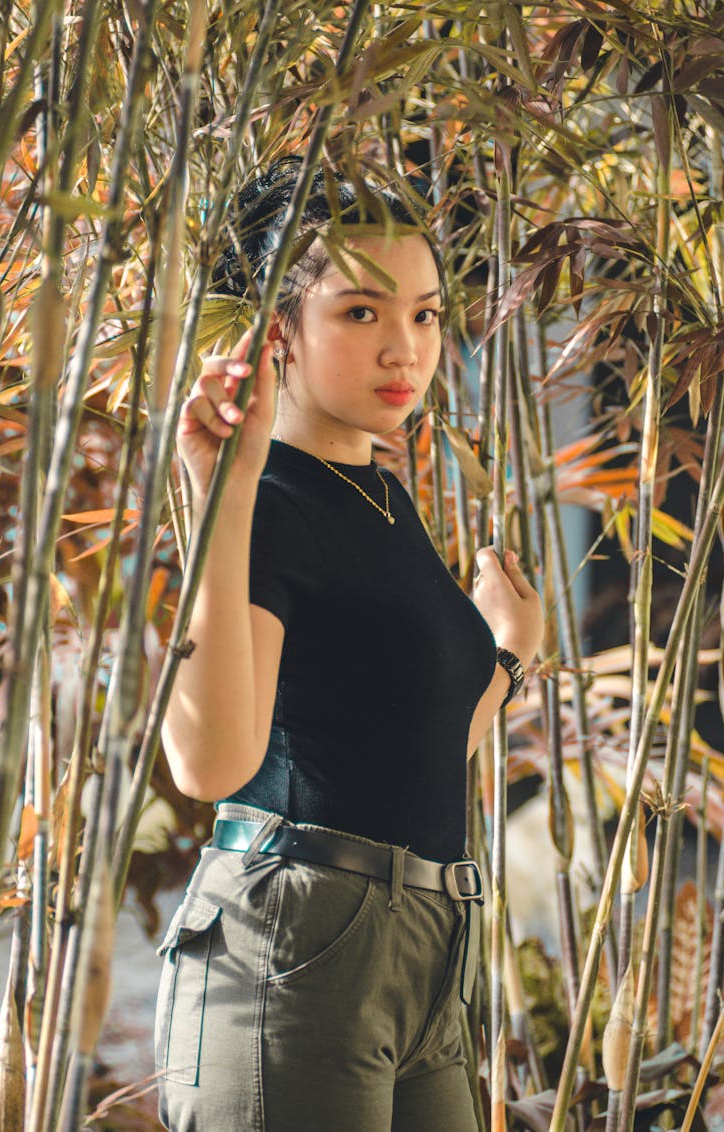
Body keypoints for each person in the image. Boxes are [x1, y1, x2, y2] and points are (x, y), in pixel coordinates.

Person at [154, 157, 543, 1132]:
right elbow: (211, 764)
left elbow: (399, 748)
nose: (405, 348)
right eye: (362, 313)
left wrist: (509, 656)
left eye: (425, 314)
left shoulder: (382, 493)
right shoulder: (266, 500)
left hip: (425, 936)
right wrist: (223, 493)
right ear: (275, 329)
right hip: (294, 937)